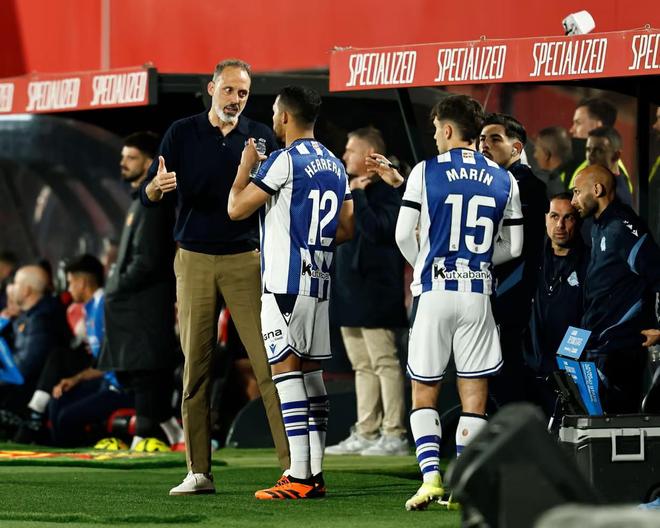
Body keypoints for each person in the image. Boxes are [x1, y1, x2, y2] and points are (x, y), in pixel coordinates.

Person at [142, 58, 289, 496]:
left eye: (242, 93)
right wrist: (156, 188)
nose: (235, 99)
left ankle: (294, 468)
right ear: (211, 89)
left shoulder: (260, 136)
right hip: (194, 260)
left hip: (246, 259)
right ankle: (199, 472)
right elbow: (148, 192)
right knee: (196, 369)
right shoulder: (181, 132)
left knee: (268, 364)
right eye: (228, 90)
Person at [372, 95, 523, 510]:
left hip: (435, 292)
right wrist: (475, 262)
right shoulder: (503, 178)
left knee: (425, 390)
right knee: (474, 394)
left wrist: (427, 264)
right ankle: (465, 482)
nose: (435, 136)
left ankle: (431, 480)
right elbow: (514, 246)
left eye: (437, 128)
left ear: (450, 129)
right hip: (477, 296)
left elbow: (403, 234)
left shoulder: (425, 171)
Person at [228, 85, 354, 499]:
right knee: (312, 376)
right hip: (319, 283)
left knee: (285, 373)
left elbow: (236, 208)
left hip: (285, 285)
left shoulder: (284, 161)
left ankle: (298, 474)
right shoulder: (335, 164)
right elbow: (347, 228)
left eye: (274, 113)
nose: (273, 119)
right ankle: (314, 473)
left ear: (285, 116)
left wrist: (245, 167)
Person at [98, 132, 183, 450]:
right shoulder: (140, 201)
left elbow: (148, 260)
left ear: (150, 163)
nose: (123, 163)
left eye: (131, 157)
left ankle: (144, 437)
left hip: (146, 306)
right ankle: (168, 433)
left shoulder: (154, 204)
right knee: (142, 375)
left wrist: (116, 285)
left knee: (147, 373)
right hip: (137, 306)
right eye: (123, 156)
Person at [326, 126, 408, 457]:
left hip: (377, 292)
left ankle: (394, 434)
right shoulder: (347, 188)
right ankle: (367, 430)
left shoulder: (389, 190)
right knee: (362, 365)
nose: (344, 155)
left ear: (369, 154)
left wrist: (359, 196)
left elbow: (379, 231)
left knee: (384, 362)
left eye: (350, 149)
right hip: (349, 291)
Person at [571, 165, 660, 413]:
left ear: (597, 189)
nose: (573, 201)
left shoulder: (623, 227)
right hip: (599, 347)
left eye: (577, 192)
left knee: (616, 427)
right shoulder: (599, 226)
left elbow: (657, 273)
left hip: (620, 350)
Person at [479, 113, 547, 406]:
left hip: (514, 297)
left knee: (508, 373)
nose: (484, 145)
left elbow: (522, 250)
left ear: (516, 148)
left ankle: (520, 428)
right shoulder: (490, 183)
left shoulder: (527, 187)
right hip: (493, 293)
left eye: (495, 139)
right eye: (482, 139)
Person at [48, 255, 133, 446]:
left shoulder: (105, 306)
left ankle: (76, 457)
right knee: (58, 400)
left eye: (70, 283)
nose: (69, 289)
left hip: (120, 388)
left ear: (82, 283)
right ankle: (62, 453)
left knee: (67, 417)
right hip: (105, 382)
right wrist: (75, 379)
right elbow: (102, 361)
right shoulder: (90, 308)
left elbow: (116, 357)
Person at [524, 193, 589, 417]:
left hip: (571, 374)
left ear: (578, 221)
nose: (560, 225)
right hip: (530, 369)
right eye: (554, 216)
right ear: (545, 218)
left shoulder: (590, 264)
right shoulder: (529, 261)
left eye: (568, 217)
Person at [0, 265, 70, 435]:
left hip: (26, 390)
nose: (11, 288)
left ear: (26, 290)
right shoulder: (27, 316)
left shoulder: (41, 320)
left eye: (16, 283)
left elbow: (25, 368)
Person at [568, 97, 632, 194]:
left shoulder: (613, 172)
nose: (572, 130)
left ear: (598, 126)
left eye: (578, 123)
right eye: (589, 150)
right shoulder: (583, 161)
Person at [585, 126, 633, 206]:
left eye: (599, 151)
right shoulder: (599, 186)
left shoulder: (615, 195)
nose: (590, 155)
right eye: (588, 149)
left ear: (616, 156)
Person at [532, 126, 573, 198]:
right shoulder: (575, 177)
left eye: (536, 150)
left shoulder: (545, 184)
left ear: (546, 154)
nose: (535, 156)